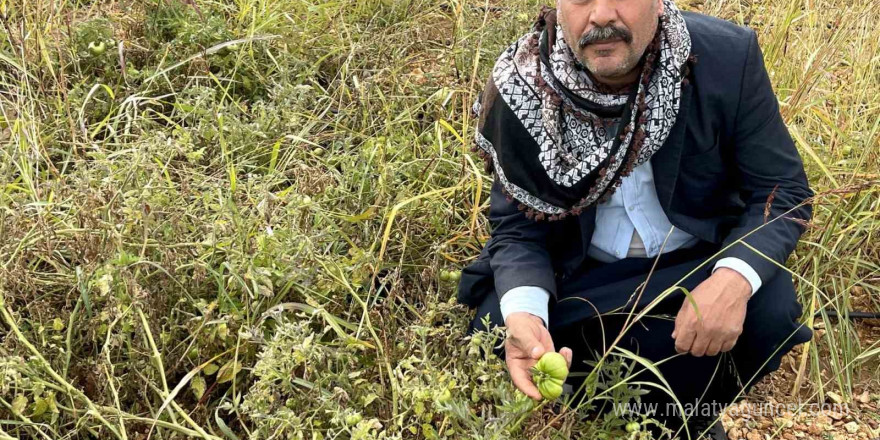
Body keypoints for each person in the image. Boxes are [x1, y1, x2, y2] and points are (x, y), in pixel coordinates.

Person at [456, 0, 814, 438]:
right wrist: (525, 318)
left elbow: (782, 191)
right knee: (498, 325)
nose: (602, 14)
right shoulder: (523, 84)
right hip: (582, 277)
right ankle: (605, 418)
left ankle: (691, 418)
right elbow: (518, 228)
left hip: (692, 268)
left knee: (769, 310)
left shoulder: (726, 57)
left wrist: (732, 281)